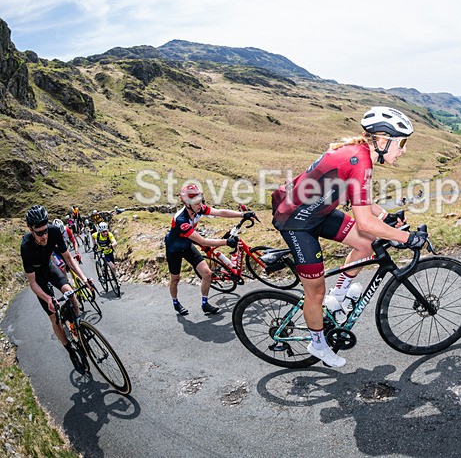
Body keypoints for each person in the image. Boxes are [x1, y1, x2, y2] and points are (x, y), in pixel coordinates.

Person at [271, 106, 427, 367]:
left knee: (365, 245)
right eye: (402, 143)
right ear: (382, 140)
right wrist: (406, 238)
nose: (404, 150)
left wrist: (386, 218)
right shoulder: (359, 159)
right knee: (315, 291)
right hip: (296, 223)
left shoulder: (360, 155)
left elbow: (363, 203)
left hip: (317, 213)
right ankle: (318, 343)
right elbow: (365, 221)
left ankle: (339, 295)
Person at [20, 205, 95, 370]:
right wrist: (48, 299)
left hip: (49, 267)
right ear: (31, 230)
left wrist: (84, 279)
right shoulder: (26, 246)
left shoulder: (53, 231)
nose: (44, 236)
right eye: (39, 233)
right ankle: (69, 349)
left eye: (45, 230)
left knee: (70, 293)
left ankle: (78, 325)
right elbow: (32, 282)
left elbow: (68, 259)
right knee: (54, 316)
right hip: (38, 278)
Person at [164, 184, 257, 315]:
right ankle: (175, 302)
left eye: (200, 201)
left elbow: (220, 213)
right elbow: (201, 241)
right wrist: (226, 242)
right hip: (174, 249)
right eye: (196, 203)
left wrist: (242, 214)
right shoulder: (181, 220)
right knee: (175, 279)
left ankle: (205, 303)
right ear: (187, 203)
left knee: (207, 273)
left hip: (187, 245)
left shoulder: (198, 209)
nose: (200, 205)